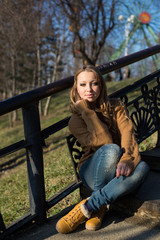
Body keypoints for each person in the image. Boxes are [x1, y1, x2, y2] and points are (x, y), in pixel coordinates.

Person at [56, 65, 149, 234]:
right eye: (83, 84)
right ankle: (99, 203)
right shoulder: (75, 120)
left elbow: (128, 135)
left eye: (94, 83)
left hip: (118, 166)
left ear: (101, 86)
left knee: (142, 167)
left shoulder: (117, 107)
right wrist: (87, 111)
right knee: (111, 149)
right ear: (76, 88)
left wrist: (127, 159)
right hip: (91, 169)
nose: (89, 89)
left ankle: (92, 205)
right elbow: (104, 142)